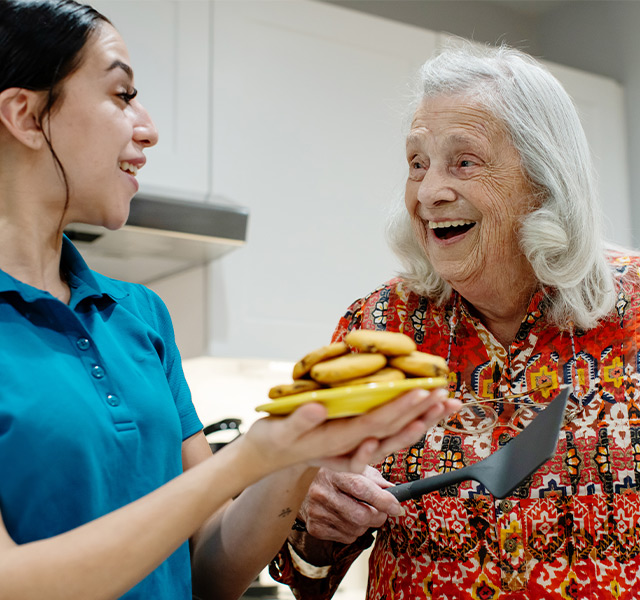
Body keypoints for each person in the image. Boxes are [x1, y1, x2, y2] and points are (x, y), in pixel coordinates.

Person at [0, 2, 461, 599]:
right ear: (26, 116)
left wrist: (298, 452)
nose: (148, 127)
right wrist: (249, 457)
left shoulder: (142, 318)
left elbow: (206, 572)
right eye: (121, 94)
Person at [270, 40, 640, 599]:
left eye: (464, 162)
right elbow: (304, 574)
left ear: (544, 180)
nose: (429, 192)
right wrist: (312, 513)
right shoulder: (377, 330)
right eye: (417, 164)